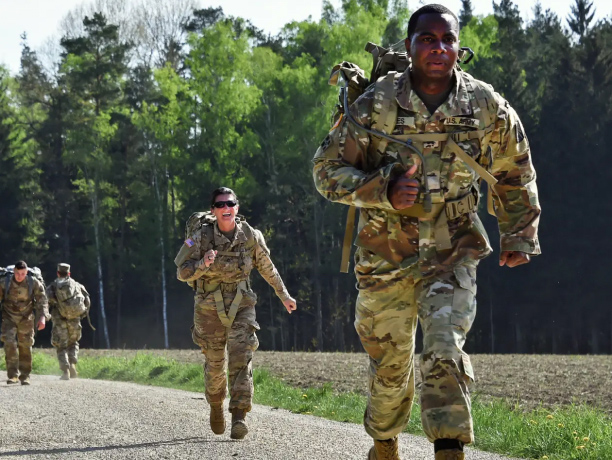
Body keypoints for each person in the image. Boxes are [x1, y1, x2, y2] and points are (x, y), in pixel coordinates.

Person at [313, 4, 541, 460]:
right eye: (427, 39)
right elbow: (326, 171)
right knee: (391, 367)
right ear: (410, 46)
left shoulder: (484, 104)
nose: (438, 48)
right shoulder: (376, 103)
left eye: (447, 39)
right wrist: (382, 189)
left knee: (443, 349)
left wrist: (519, 234)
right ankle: (383, 442)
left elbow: (515, 168)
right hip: (384, 252)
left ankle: (449, 447)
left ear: (458, 47)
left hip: (453, 247)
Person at [175, 187, 297, 440]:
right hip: (208, 306)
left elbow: (267, 268)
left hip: (242, 303)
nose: (225, 208)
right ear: (213, 210)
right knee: (215, 363)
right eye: (220, 205)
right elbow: (182, 273)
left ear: (237, 208)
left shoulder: (250, 235)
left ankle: (239, 415)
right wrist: (203, 263)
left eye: (230, 203)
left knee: (242, 356)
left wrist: (284, 296)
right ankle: (216, 405)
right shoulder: (199, 237)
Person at [0, 261, 49, 385]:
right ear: (14, 272)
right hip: (9, 317)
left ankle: (25, 375)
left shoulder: (33, 283)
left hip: (26, 317)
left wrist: (42, 317)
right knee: (9, 343)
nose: (19, 276)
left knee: (25, 345)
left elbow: (42, 300)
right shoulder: (5, 282)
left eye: (22, 274)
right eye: (17, 273)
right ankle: (12, 375)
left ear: (26, 273)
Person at [46, 263, 91, 380]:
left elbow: (47, 301)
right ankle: (73, 366)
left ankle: (65, 371)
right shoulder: (77, 285)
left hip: (60, 319)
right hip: (75, 319)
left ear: (57, 273)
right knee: (73, 343)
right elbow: (87, 300)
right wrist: (82, 313)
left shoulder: (53, 286)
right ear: (69, 273)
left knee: (61, 345)